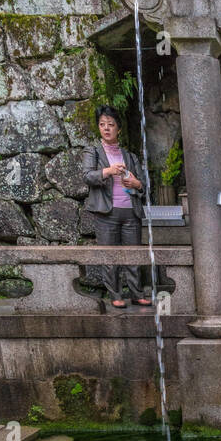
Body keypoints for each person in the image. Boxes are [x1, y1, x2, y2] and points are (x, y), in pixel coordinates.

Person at [82, 105, 149, 308]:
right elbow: (87, 176)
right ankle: (116, 295)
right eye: (102, 125)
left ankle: (137, 293)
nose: (106, 128)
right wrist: (108, 170)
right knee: (110, 256)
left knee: (133, 255)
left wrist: (137, 184)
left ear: (118, 129)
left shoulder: (129, 156)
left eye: (111, 124)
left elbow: (143, 185)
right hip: (106, 211)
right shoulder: (93, 151)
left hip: (130, 210)